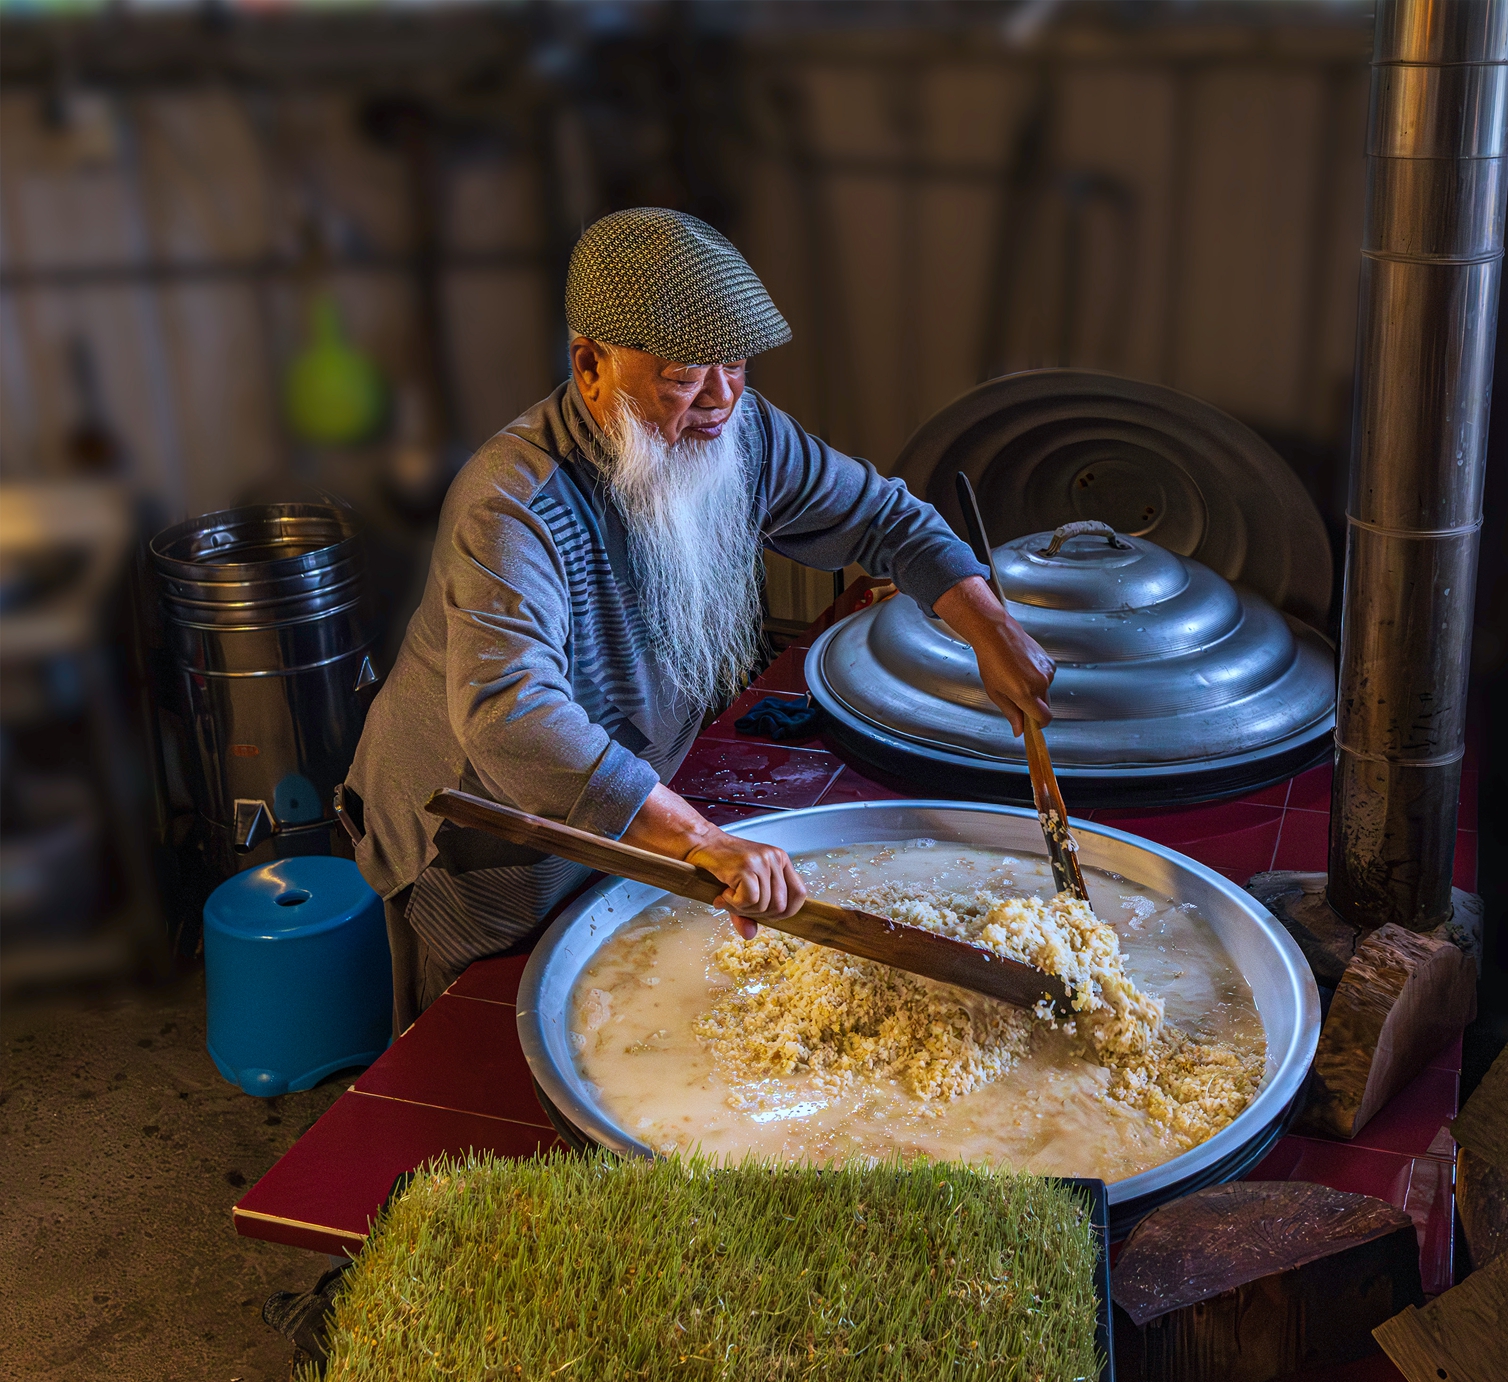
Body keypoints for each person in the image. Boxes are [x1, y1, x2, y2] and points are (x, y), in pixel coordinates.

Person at [343, 207, 1054, 1030]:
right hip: (485, 825)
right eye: (683, 374)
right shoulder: (511, 503)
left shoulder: (742, 432)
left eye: (735, 365)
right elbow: (510, 714)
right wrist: (699, 840)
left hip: (629, 784)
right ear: (590, 366)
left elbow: (887, 520)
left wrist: (993, 630)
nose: (720, 400)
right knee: (478, 1031)